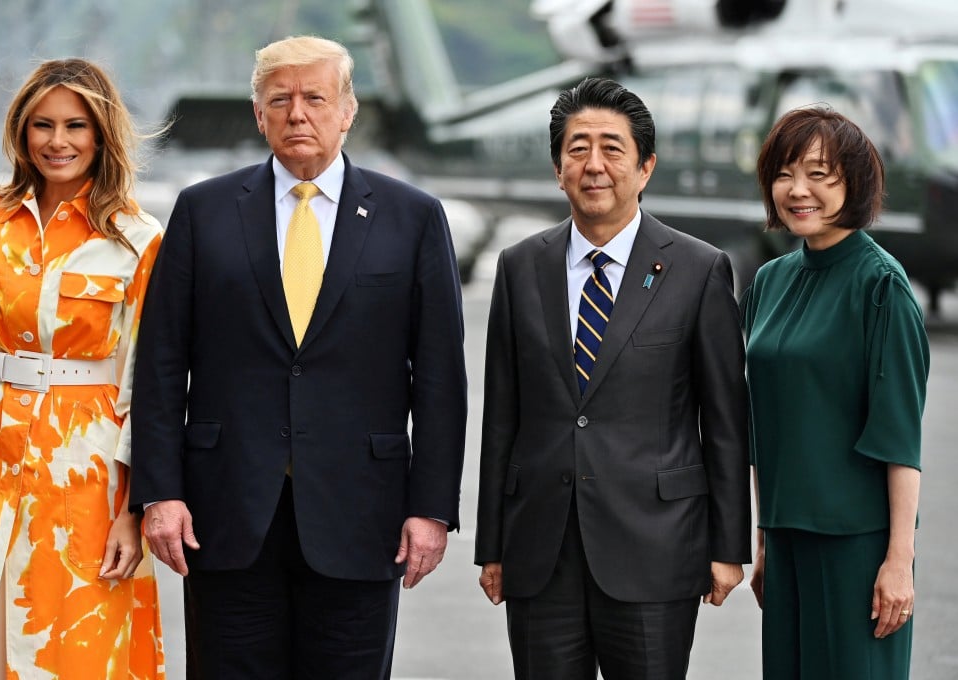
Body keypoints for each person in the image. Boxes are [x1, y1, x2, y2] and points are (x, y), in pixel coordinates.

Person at [129, 35, 468, 679]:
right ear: (258, 114)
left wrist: (431, 508)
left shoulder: (413, 217)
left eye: (315, 97)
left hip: (361, 513)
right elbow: (163, 363)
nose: (297, 114)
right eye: (279, 100)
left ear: (348, 111)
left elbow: (441, 378)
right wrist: (160, 493)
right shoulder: (203, 212)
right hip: (225, 512)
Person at [474, 76, 751, 680]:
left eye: (612, 148)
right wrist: (491, 545)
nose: (593, 165)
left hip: (656, 546)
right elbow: (502, 417)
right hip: (540, 551)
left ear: (646, 167)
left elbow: (726, 421)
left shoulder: (699, 269)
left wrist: (730, 547)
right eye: (577, 148)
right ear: (557, 168)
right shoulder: (520, 267)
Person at [0, 58, 165, 678]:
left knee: (74, 651)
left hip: (85, 477)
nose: (57, 142)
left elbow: (147, 387)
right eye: (43, 125)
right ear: (20, 131)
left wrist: (134, 512)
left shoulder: (137, 239)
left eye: (76, 126)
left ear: (102, 135)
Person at [742, 106, 929, 679]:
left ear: (855, 182)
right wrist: (765, 537)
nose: (798, 190)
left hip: (857, 546)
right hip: (787, 539)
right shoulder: (770, 281)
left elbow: (899, 437)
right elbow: (765, 419)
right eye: (785, 172)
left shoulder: (882, 286)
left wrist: (899, 561)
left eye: (820, 174)